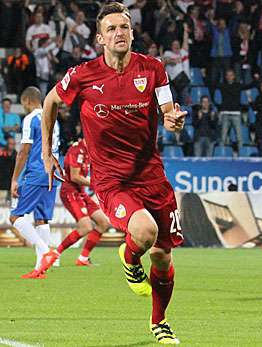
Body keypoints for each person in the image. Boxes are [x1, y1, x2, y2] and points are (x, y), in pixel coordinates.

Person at [40, 3, 186, 344]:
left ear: (133, 33)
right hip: (112, 180)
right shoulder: (83, 75)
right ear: (100, 38)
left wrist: (172, 121)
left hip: (151, 175)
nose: (119, 33)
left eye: (125, 27)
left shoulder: (153, 69)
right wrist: (47, 153)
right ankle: (129, 255)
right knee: (145, 231)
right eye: (112, 29)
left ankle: (159, 322)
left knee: (163, 256)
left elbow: (167, 111)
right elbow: (50, 102)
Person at [9, 86, 60, 279]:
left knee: (15, 217)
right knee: (41, 219)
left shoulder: (31, 119)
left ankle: (46, 251)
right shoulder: (53, 118)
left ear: (27, 101)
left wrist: (15, 179)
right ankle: (40, 269)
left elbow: (24, 151)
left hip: (37, 172)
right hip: (52, 174)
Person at [41, 139, 115, 267]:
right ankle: (54, 255)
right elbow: (75, 177)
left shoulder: (90, 151)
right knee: (85, 227)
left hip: (81, 192)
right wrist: (95, 184)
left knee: (103, 222)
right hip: (70, 191)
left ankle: (83, 258)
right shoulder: (77, 150)